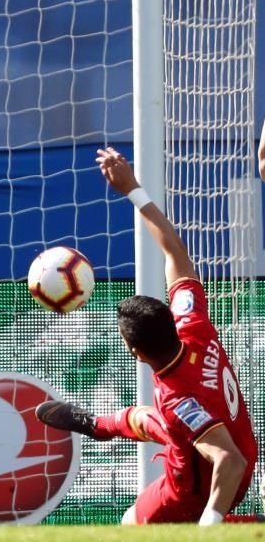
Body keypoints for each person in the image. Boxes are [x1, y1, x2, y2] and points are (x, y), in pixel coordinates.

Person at [35, 147, 258, 526]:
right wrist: (133, 189)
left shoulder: (178, 398)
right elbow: (174, 249)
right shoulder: (193, 324)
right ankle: (96, 426)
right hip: (230, 439)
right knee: (140, 417)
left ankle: (244, 526)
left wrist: (210, 524)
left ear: (136, 353)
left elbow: (228, 460)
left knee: (130, 525)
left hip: (201, 485)